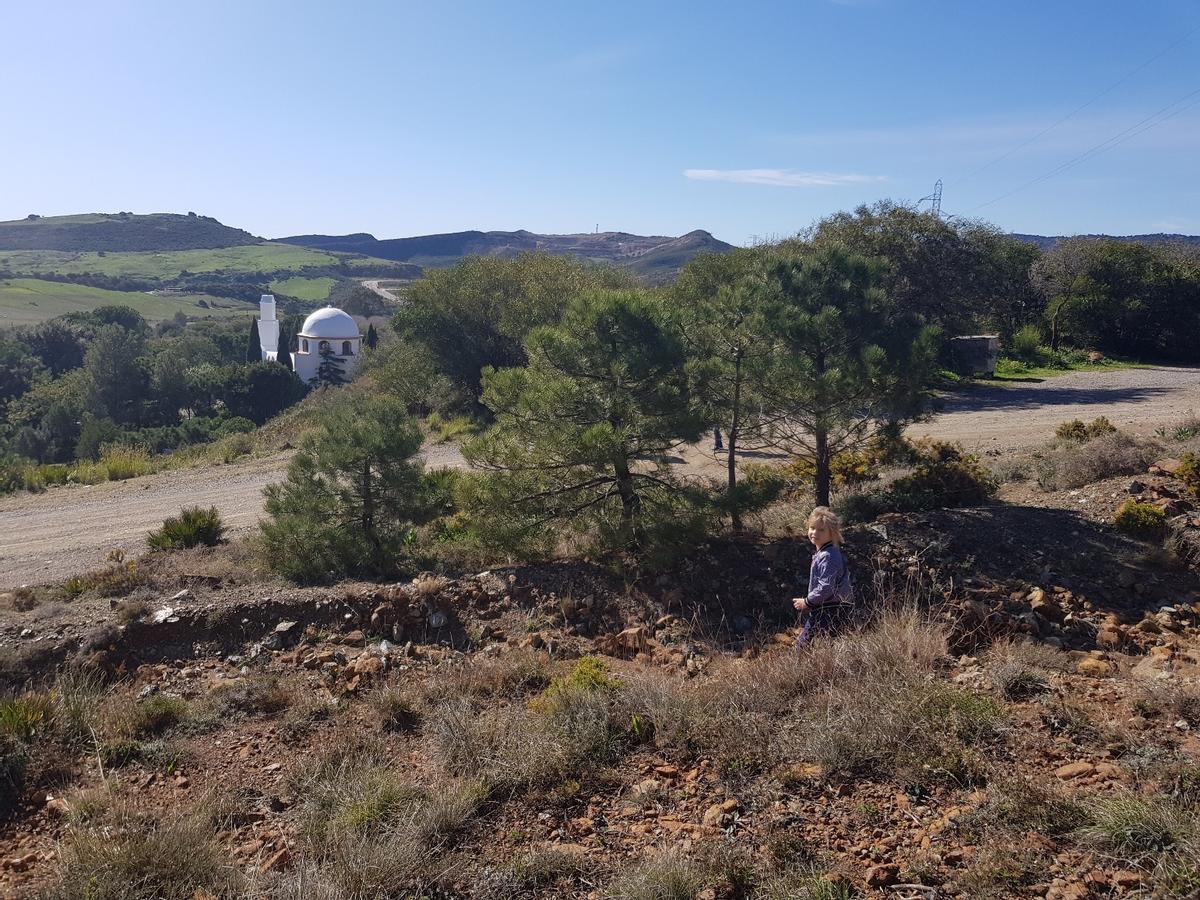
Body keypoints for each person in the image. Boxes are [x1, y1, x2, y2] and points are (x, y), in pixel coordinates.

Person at [792, 506, 853, 644]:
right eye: (812, 528)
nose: (815, 532)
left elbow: (826, 586)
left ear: (832, 533)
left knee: (803, 646)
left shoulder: (828, 556)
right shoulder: (825, 553)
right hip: (829, 606)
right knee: (830, 644)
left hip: (828, 608)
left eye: (821, 530)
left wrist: (807, 602)